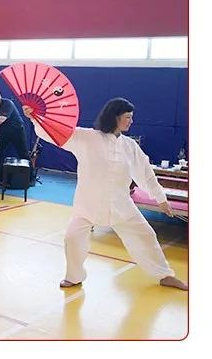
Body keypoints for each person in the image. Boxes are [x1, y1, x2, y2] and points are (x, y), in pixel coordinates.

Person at [22, 98, 188, 291]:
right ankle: (74, 276)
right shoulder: (86, 137)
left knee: (146, 236)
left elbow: (145, 173)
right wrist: (36, 118)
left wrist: (160, 199)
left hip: (121, 205)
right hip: (87, 204)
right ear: (114, 117)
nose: (131, 121)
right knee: (72, 238)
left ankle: (165, 275)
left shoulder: (130, 146)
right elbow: (56, 132)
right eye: (128, 117)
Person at [0, 86, 34, 187]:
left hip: (16, 131)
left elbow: (2, 119)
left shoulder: (7, 103)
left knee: (23, 153)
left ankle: (30, 178)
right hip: (3, 132)